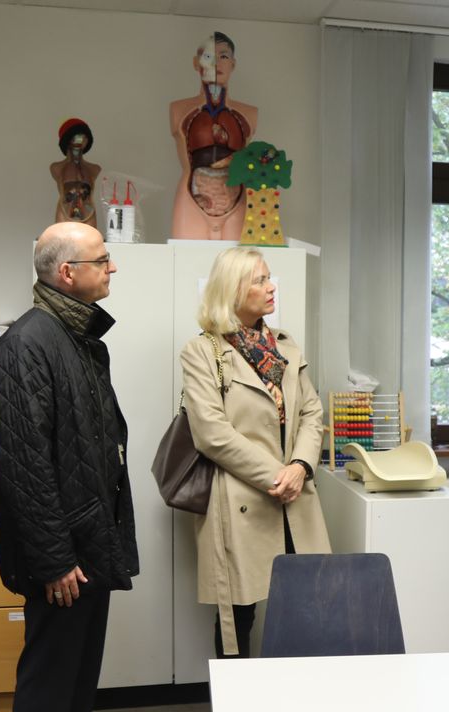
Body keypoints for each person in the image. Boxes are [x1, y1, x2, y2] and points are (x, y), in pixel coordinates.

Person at [0, 221, 139, 712]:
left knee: (80, 668)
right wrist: (54, 560)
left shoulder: (77, 337)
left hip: (89, 537)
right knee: (50, 673)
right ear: (66, 273)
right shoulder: (27, 345)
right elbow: (24, 466)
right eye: (103, 260)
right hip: (62, 553)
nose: (113, 268)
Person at [181, 246, 330, 658]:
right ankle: (238, 710)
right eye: (259, 280)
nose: (270, 287)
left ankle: (294, 700)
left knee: (305, 604)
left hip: (295, 495)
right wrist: (276, 476)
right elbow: (211, 432)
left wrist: (299, 466)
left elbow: (312, 414)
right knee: (238, 613)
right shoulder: (203, 351)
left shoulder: (285, 346)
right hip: (241, 497)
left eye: (270, 278)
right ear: (233, 289)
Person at [169, 31, 257, 240]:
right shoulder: (179, 110)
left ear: (233, 64)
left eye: (223, 56)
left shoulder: (249, 114)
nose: (216, 63)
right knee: (185, 260)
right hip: (193, 195)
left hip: (235, 197)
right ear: (195, 63)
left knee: (238, 266)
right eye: (208, 56)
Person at [50, 118, 101, 229]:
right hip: (64, 214)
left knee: (90, 244)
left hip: (88, 215)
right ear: (66, 139)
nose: (79, 140)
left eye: (83, 137)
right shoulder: (57, 168)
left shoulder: (94, 169)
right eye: (75, 136)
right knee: (62, 244)